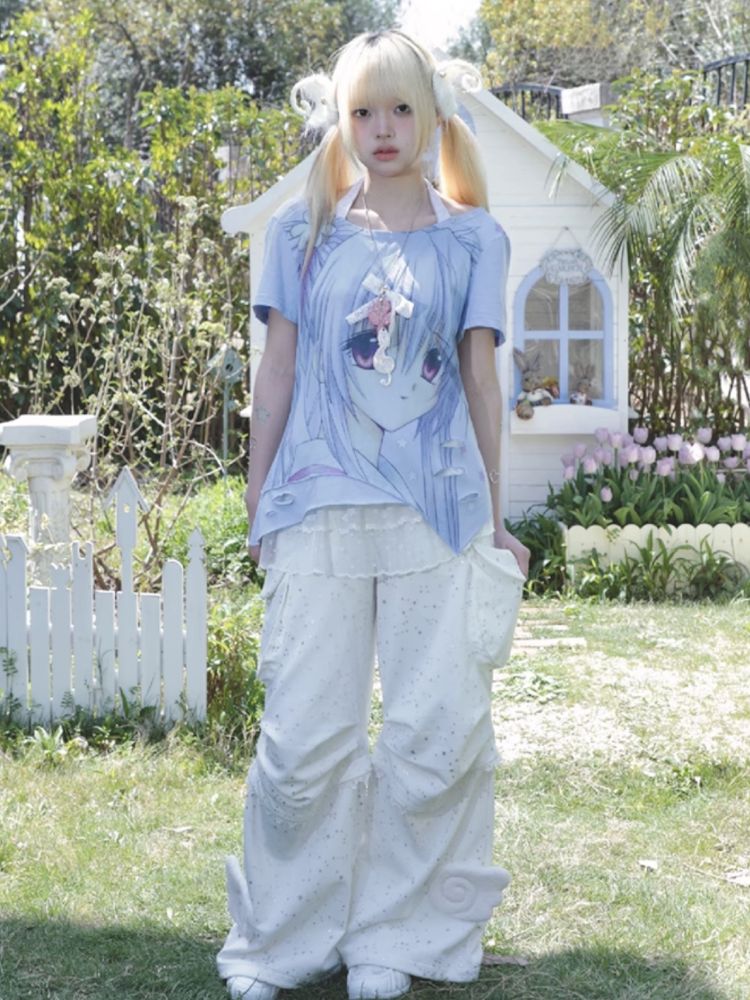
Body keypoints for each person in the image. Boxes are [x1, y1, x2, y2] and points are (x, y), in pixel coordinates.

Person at [217, 28, 530, 1000]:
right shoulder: (300, 235)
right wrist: (259, 494)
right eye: (363, 111)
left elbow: (481, 381)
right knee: (302, 740)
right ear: (342, 120)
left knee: (433, 734)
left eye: (400, 109)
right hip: (316, 510)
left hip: (437, 518)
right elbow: (275, 373)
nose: (383, 128)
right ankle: (281, 940)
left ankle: (399, 937)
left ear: (431, 115)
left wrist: (496, 516)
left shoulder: (474, 238)